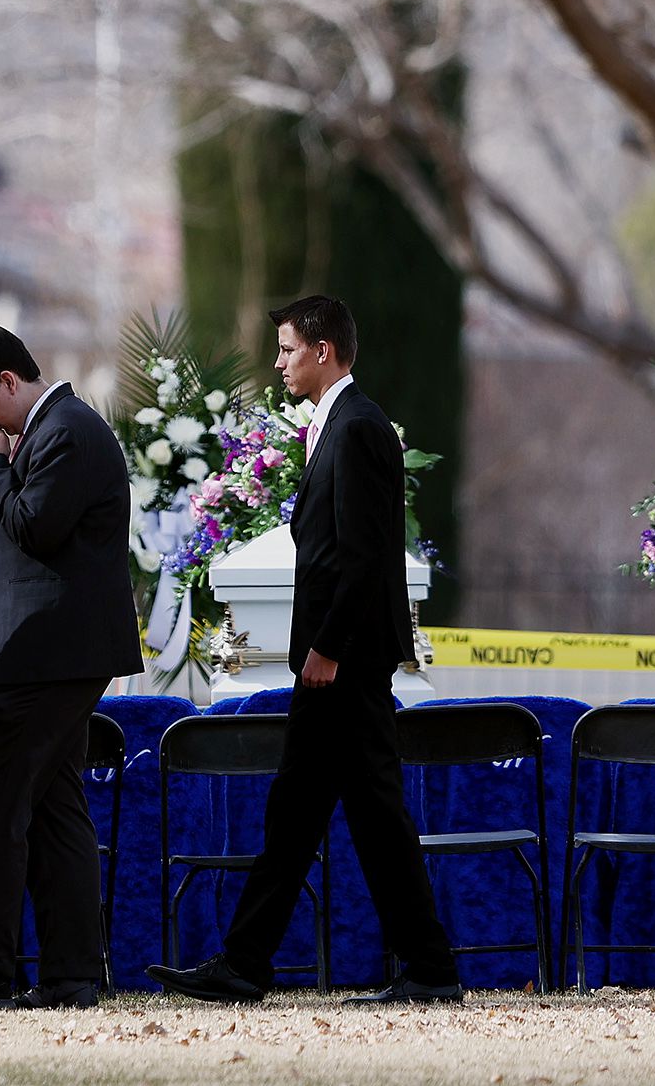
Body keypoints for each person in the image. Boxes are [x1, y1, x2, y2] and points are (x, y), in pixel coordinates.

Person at [149, 295, 463, 1006]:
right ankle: (251, 962)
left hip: (340, 660)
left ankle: (424, 970)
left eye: (289, 349)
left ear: (324, 352)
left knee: (358, 812)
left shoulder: (355, 428)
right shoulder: (340, 425)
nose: (279, 362)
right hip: (339, 658)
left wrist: (327, 648)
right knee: (304, 812)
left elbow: (360, 556)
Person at [0, 324, 139, 1010]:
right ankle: (70, 975)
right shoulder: (52, 431)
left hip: (50, 655)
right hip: (51, 650)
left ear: (11, 381)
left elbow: (35, 524)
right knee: (55, 808)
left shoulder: (66, 430)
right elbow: (37, 546)